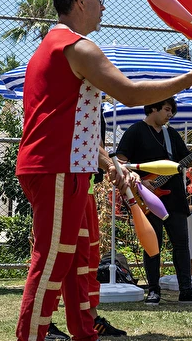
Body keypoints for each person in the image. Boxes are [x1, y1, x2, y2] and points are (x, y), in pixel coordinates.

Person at [15, 0, 192, 341]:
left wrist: (110, 163)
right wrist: (189, 79)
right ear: (81, 1)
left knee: (81, 257)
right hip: (59, 169)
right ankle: (31, 335)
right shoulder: (77, 47)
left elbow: (69, 125)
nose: (104, 7)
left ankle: (85, 331)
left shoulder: (51, 48)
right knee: (53, 259)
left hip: (68, 167)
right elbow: (129, 94)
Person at [115, 98, 192, 306]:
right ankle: (153, 290)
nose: (170, 115)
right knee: (153, 244)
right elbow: (121, 162)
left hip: (175, 198)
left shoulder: (171, 135)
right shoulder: (135, 131)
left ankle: (186, 291)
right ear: (153, 108)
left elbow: (187, 161)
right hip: (147, 197)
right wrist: (140, 182)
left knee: (181, 245)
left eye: (172, 111)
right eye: (167, 110)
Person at [46, 115, 127, 341]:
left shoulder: (94, 105)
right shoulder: (71, 100)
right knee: (54, 259)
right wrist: (111, 165)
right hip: (63, 185)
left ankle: (90, 319)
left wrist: (111, 165)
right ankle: (45, 323)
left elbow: (93, 143)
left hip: (86, 189)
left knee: (89, 260)